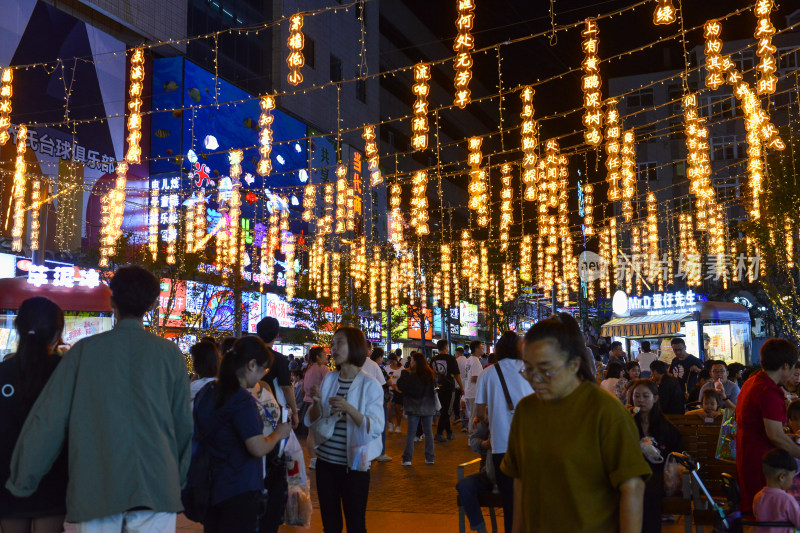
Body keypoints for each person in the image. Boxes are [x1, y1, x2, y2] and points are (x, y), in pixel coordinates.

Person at [6, 266, 193, 531]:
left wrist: (23, 480)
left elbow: (49, 420)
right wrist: (177, 479)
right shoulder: (170, 355)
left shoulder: (84, 352)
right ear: (151, 305)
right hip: (157, 488)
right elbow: (183, 426)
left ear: (112, 301)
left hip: (97, 490)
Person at [503, 313, 650, 533]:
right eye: (529, 370)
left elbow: (632, 487)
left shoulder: (605, 411)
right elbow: (520, 482)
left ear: (573, 365)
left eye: (545, 370)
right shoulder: (525, 410)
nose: (535, 380)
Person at [194, 336, 291, 532]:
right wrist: (278, 434)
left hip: (209, 485)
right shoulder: (242, 400)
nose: (262, 376)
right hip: (238, 488)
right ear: (251, 365)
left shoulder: (207, 391)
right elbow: (257, 447)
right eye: (263, 370)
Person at [306, 327, 384, 533]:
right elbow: (316, 421)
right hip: (325, 464)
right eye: (332, 343)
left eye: (339, 343)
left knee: (355, 524)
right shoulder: (330, 379)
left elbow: (376, 426)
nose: (333, 348)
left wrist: (348, 408)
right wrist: (315, 403)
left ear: (355, 346)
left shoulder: (371, 384)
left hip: (355, 467)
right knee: (330, 525)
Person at [0, 298, 67, 533]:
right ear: (58, 332)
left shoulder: (3, 373)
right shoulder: (67, 374)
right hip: (54, 480)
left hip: (6, 480)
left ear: (18, 328)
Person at [475, 331, 533, 533]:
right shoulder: (530, 370)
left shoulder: (488, 373)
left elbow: (480, 412)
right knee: (531, 500)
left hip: (501, 446)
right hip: (529, 445)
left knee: (509, 502)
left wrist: (494, 419)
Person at [737, 338, 800, 514]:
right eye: (794, 366)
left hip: (748, 455)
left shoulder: (752, 382)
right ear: (786, 366)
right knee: (766, 516)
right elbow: (775, 435)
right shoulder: (768, 391)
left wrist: (791, 439)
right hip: (763, 463)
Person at [256, 317, 297, 533]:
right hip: (274, 416)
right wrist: (295, 412)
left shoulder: (247, 355)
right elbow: (287, 388)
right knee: (274, 460)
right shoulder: (278, 359)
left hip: (254, 416)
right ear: (277, 334)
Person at [630, 379, 683, 533]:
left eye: (646, 396)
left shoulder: (666, 427)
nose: (640, 400)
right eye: (636, 396)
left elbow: (677, 454)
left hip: (659, 475)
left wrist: (656, 452)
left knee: (648, 486)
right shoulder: (628, 423)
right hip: (633, 472)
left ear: (655, 398)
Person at [397, 352, 437, 466]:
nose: (411, 362)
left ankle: (407, 459)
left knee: (411, 434)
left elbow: (402, 386)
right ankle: (430, 457)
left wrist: (404, 374)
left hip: (413, 407)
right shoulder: (430, 374)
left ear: (415, 362)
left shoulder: (410, 375)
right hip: (428, 407)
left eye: (412, 360)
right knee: (428, 433)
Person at [456, 419, 496, 533]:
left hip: (513, 476)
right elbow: (473, 440)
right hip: (489, 473)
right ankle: (481, 530)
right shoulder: (489, 414)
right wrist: (484, 444)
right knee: (464, 486)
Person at [753, 449, 800, 532]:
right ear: (782, 477)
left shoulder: (758, 496)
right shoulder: (787, 500)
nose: (792, 482)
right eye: (792, 478)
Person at [430, 339, 463, 442]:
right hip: (449, 387)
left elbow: (433, 374)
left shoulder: (433, 359)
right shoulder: (450, 358)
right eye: (448, 346)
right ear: (445, 347)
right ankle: (439, 433)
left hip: (438, 387)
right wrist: (462, 387)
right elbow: (457, 374)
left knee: (443, 409)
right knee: (447, 411)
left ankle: (449, 432)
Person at [302, 346, 329, 470]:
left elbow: (303, 389)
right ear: (318, 357)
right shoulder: (323, 369)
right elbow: (328, 387)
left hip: (307, 403)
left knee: (311, 433)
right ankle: (319, 458)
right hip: (317, 404)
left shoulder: (308, 369)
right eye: (324, 353)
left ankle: (313, 459)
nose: (327, 355)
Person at [371, 348, 392, 463]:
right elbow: (386, 382)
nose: (382, 359)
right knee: (382, 426)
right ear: (378, 357)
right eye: (382, 357)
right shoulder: (378, 368)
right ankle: (381, 453)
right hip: (380, 400)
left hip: (370, 400)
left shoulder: (365, 365)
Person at [464, 341, 485, 433]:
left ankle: (471, 435)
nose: (483, 349)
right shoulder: (476, 361)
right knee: (474, 415)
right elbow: (475, 378)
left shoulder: (469, 359)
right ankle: (472, 436)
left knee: (472, 415)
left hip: (469, 391)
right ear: (476, 349)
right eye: (481, 347)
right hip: (474, 392)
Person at [385, 352, 404, 434]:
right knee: (388, 407)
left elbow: (404, 381)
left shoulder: (402, 369)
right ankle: (390, 423)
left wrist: (397, 386)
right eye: (390, 361)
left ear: (396, 360)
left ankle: (398, 425)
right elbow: (384, 379)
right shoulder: (387, 368)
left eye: (393, 361)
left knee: (397, 409)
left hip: (399, 391)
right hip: (389, 390)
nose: (391, 363)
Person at [455, 346, 469, 428]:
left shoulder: (456, 361)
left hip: (457, 384)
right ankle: (465, 421)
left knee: (457, 402)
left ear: (458, 353)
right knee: (464, 403)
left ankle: (458, 417)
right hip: (466, 384)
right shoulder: (467, 361)